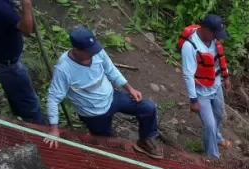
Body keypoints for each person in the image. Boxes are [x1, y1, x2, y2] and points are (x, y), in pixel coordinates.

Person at [43, 26, 163, 159]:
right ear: (77, 50)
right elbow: (53, 98)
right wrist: (54, 129)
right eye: (88, 51)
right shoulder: (64, 68)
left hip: (111, 97)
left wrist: (130, 89)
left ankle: (145, 141)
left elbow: (111, 70)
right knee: (108, 145)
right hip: (93, 113)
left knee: (147, 107)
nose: (93, 53)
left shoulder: (97, 52)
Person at [178, 14, 232, 159]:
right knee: (209, 124)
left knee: (219, 115)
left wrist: (226, 77)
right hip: (200, 91)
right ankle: (212, 156)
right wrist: (193, 100)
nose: (217, 37)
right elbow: (188, 75)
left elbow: (219, 60)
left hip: (216, 85)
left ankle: (217, 138)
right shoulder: (190, 46)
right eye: (215, 34)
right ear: (206, 30)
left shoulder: (214, 40)